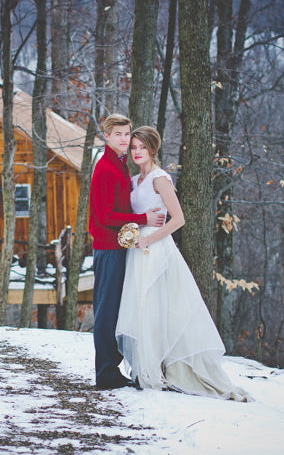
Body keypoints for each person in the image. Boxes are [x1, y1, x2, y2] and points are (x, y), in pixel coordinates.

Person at [115, 126, 250, 401]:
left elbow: (178, 219)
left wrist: (149, 239)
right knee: (143, 308)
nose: (137, 152)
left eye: (142, 147)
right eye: (134, 147)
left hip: (155, 249)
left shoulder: (159, 179)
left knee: (158, 307)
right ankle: (147, 368)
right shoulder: (134, 180)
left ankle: (168, 367)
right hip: (137, 251)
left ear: (153, 150)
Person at [89, 115, 165, 390]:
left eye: (126, 134)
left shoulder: (119, 164)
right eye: (118, 134)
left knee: (115, 309)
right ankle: (106, 373)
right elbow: (104, 215)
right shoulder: (105, 168)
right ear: (106, 136)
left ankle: (113, 367)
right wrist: (144, 219)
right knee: (107, 310)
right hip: (108, 247)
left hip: (119, 245)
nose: (124, 139)